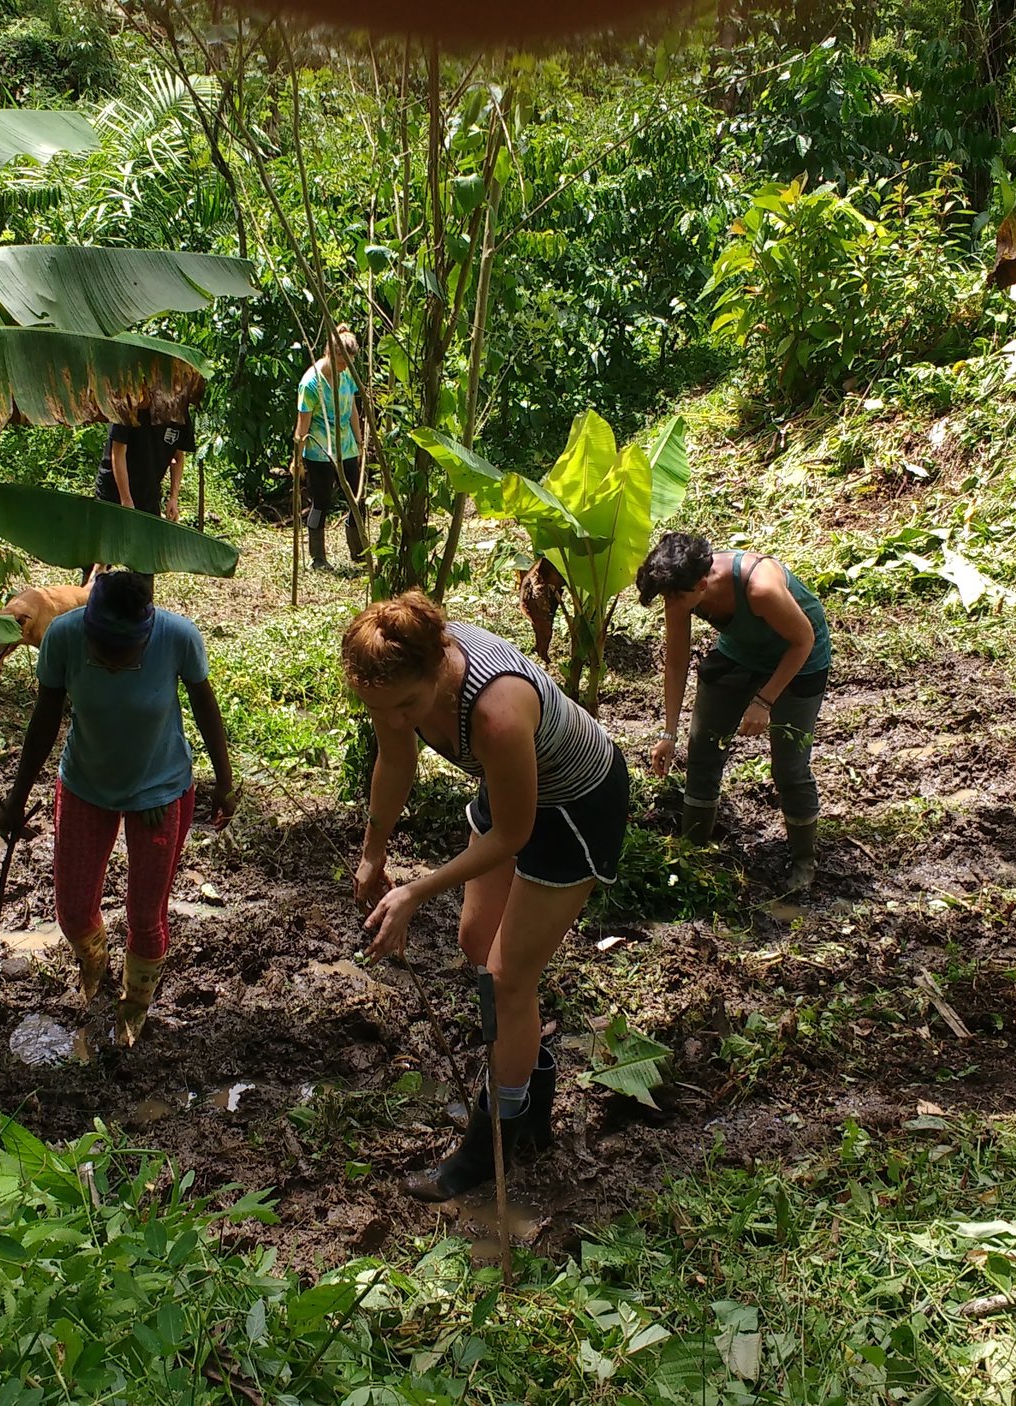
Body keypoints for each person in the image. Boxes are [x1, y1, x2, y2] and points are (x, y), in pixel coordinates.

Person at [342, 593, 631, 1201]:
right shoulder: (393, 678)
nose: (394, 719)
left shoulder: (496, 709)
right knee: (476, 942)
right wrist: (373, 852)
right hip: (513, 793)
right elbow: (396, 762)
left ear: (439, 666)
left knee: (507, 981)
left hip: (574, 807)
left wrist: (416, 889)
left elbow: (513, 835)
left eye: (406, 707)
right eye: (378, 710)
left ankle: (491, 1142)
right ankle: (531, 1085)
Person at [0, 571, 237, 1045]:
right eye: (103, 645)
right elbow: (44, 719)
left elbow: (206, 707)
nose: (112, 658)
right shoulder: (62, 636)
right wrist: (15, 800)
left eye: (125, 649)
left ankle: (133, 1009)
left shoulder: (178, 637)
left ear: (147, 629)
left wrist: (224, 784)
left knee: (145, 917)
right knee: (74, 909)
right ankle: (95, 965)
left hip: (159, 793)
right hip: (86, 786)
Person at [636, 532, 833, 892]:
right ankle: (691, 852)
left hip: (800, 659)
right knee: (703, 747)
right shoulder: (679, 590)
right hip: (742, 652)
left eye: (676, 597)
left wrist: (765, 700)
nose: (671, 605)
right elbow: (677, 661)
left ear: (701, 584)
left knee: (788, 766)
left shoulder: (760, 588)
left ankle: (804, 859)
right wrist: (668, 734)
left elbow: (803, 640)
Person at [293, 326, 366, 570]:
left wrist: (359, 440)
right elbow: (302, 426)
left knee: (357, 499)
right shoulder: (311, 383)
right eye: (342, 362)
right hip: (319, 451)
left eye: (349, 363)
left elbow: (353, 409)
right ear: (330, 355)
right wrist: (297, 460)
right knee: (321, 502)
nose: (345, 367)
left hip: (346, 448)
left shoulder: (347, 376)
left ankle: (359, 551)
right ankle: (318, 558)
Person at [98, 392, 199, 523]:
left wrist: (173, 498)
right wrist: (126, 500)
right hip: (114, 491)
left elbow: (177, 458)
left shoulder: (179, 413)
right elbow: (118, 453)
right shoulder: (130, 404)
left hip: (149, 494)